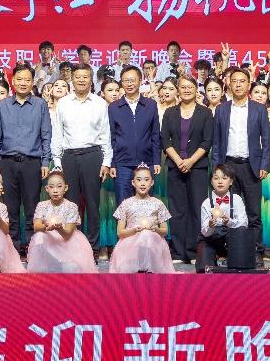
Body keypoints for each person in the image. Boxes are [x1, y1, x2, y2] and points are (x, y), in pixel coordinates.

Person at [0, 64, 52, 254]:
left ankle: (33, 248)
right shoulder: (3, 105)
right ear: (12, 81)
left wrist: (45, 161)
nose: (23, 83)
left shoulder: (40, 105)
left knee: (32, 207)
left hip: (32, 162)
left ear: (33, 82)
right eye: (19, 79)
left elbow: (46, 135)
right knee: (10, 208)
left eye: (27, 79)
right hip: (7, 162)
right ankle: (13, 248)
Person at [51, 65, 112, 250]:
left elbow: (105, 134)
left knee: (93, 203)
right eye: (78, 77)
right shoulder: (63, 103)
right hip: (69, 157)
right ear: (72, 79)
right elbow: (58, 134)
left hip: (92, 156)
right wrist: (57, 162)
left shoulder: (99, 103)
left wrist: (106, 162)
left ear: (91, 79)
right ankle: (72, 246)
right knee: (71, 204)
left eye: (85, 77)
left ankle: (92, 248)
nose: (81, 80)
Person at [211, 68, 270, 251]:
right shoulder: (221, 109)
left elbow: (266, 140)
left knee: (254, 213)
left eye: (242, 81)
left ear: (249, 84)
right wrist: (217, 169)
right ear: (229, 84)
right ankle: (231, 251)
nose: (238, 85)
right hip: (228, 166)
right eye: (234, 81)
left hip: (250, 166)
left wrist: (264, 164)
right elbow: (216, 141)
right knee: (229, 211)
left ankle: (256, 251)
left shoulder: (259, 109)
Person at [161, 75, 213, 265]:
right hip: (175, 166)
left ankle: (192, 251)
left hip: (197, 167)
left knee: (196, 208)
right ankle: (177, 251)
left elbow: (207, 141)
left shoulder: (205, 113)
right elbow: (165, 139)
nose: (186, 90)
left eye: (190, 86)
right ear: (177, 90)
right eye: (183, 87)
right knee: (176, 209)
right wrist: (178, 160)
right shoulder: (170, 113)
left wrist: (190, 161)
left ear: (196, 89)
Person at [26, 169, 98, 273]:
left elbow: (67, 234)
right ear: (47, 189)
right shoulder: (42, 205)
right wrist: (46, 226)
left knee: (71, 269)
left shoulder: (71, 206)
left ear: (66, 188)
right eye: (51, 187)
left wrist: (59, 229)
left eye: (59, 186)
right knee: (39, 236)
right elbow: (36, 227)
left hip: (67, 244)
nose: (55, 190)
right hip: (49, 243)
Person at [107, 66, 161, 203]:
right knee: (123, 205)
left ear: (140, 81)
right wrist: (113, 163)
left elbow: (155, 135)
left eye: (132, 80)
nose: (129, 84)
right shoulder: (114, 107)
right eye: (126, 81)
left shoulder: (150, 105)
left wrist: (156, 161)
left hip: (146, 162)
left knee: (146, 204)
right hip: (122, 164)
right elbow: (111, 137)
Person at [108, 166, 174, 274]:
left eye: (146, 180)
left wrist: (156, 229)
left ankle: (149, 269)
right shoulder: (126, 204)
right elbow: (120, 232)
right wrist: (134, 230)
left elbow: (165, 231)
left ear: (152, 182)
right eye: (139, 180)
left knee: (147, 235)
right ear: (133, 183)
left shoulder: (158, 203)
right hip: (130, 245)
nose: (142, 183)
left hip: (153, 244)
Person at [194, 164, 247, 272]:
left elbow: (243, 223)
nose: (220, 181)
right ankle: (211, 260)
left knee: (240, 269)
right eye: (216, 178)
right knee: (203, 269)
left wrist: (229, 222)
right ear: (211, 181)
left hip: (231, 237)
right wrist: (210, 225)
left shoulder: (236, 199)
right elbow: (204, 232)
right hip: (211, 238)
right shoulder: (206, 203)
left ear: (231, 181)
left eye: (224, 178)